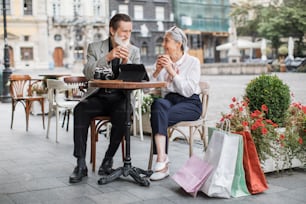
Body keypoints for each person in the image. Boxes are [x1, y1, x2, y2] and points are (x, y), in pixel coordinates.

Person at [69, 13, 140, 183]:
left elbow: (137, 80)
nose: (127, 35)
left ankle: (107, 160)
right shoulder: (95, 47)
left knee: (124, 114)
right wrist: (108, 57)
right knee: (80, 110)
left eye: (129, 31)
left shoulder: (134, 51)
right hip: (98, 96)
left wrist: (125, 62)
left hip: (120, 98)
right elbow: (87, 72)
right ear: (112, 30)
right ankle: (80, 164)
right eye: (124, 31)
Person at [149, 26, 202, 181]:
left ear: (178, 44)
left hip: (190, 103)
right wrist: (157, 72)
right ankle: (162, 158)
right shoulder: (161, 61)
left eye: (167, 40)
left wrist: (171, 72)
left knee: (159, 116)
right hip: (169, 101)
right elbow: (148, 90)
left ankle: (161, 163)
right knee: (158, 105)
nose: (163, 44)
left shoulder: (193, 62)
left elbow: (188, 90)